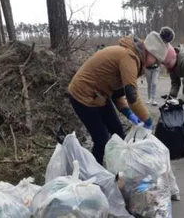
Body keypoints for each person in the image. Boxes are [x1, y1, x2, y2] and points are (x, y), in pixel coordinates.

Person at [67, 31, 164, 163]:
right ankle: (97, 173)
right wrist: (147, 119)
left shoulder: (134, 58)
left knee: (117, 133)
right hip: (83, 95)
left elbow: (117, 94)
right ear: (149, 52)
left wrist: (129, 113)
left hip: (100, 95)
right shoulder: (129, 57)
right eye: (156, 59)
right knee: (101, 139)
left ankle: (119, 168)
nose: (155, 63)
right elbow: (132, 96)